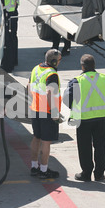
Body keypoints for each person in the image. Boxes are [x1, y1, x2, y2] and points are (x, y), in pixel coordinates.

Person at [63, 54, 105, 182]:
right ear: (94, 66)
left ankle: (86, 173)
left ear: (82, 67)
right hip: (101, 118)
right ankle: (99, 174)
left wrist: (77, 105)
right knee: (100, 146)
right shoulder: (104, 79)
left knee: (84, 147)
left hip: (83, 119)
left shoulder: (77, 81)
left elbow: (67, 98)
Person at [28, 49, 63, 179]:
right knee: (46, 142)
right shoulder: (51, 74)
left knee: (36, 137)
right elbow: (49, 92)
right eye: (59, 60)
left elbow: (29, 86)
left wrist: (31, 103)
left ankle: (34, 167)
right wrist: (55, 113)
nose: (59, 62)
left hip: (35, 108)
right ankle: (43, 170)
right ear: (54, 61)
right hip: (47, 111)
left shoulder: (36, 69)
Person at [0, 0, 17, 73]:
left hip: (5, 16)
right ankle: (12, 62)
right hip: (12, 15)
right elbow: (15, 2)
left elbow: (0, 6)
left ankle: (6, 64)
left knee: (5, 42)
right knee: (11, 40)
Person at [4, 0, 19, 66]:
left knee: (12, 37)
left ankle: (12, 60)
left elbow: (13, 3)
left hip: (11, 15)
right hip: (9, 14)